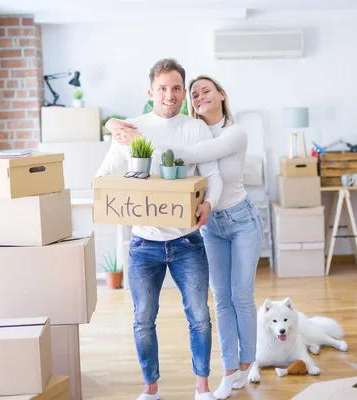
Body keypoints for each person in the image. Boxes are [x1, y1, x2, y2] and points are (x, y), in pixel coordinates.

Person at [106, 75, 264, 399]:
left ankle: (248, 364)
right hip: (210, 226)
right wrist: (114, 126)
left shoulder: (234, 132)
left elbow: (193, 155)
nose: (199, 96)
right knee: (220, 299)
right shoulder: (196, 129)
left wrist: (143, 138)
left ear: (222, 94)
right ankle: (230, 370)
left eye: (205, 90)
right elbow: (118, 128)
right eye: (194, 94)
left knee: (240, 295)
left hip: (242, 220)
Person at [95, 59, 224, 400]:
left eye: (176, 88)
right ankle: (151, 389)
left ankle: (202, 387)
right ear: (150, 92)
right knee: (143, 319)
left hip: (187, 242)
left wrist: (208, 202)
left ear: (184, 92)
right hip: (144, 243)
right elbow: (107, 170)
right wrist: (101, 189)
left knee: (199, 316)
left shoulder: (195, 128)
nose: (170, 95)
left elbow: (212, 174)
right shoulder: (130, 127)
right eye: (163, 88)